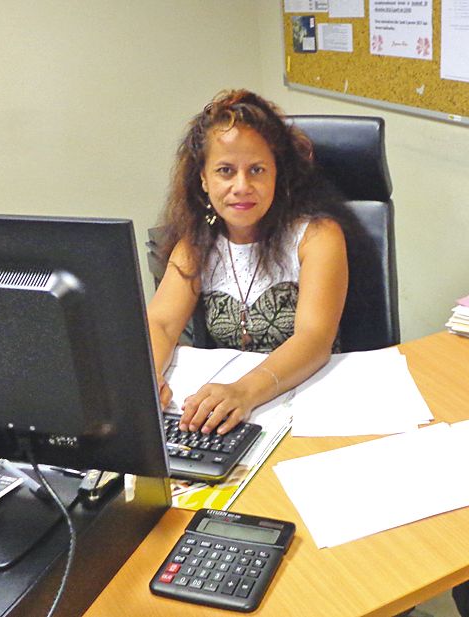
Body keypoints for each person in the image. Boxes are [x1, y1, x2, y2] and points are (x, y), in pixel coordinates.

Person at [147, 89, 348, 436]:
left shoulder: (317, 236)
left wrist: (244, 392)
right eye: (225, 171)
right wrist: (148, 379)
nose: (242, 186)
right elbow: (161, 324)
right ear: (203, 179)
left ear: (277, 174)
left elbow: (314, 339)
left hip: (307, 404)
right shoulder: (195, 244)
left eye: (257, 170)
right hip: (231, 413)